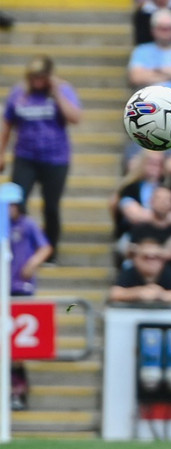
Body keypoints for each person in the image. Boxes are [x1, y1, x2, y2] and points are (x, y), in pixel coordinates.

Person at [1, 56, 79, 263]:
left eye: (41, 77)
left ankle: (49, 250)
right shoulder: (19, 93)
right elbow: (7, 123)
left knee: (51, 206)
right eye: (33, 77)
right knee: (17, 202)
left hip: (55, 158)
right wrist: (1, 153)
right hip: (25, 156)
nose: (37, 81)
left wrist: (57, 94)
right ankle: (20, 247)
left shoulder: (63, 90)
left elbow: (75, 117)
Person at [6, 202, 51, 410]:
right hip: (2, 287)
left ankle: (18, 391)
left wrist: (32, 263)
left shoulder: (27, 225)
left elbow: (45, 247)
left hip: (20, 289)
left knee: (17, 348)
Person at [128, 9, 171, 98]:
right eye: (161, 28)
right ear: (153, 29)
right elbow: (136, 77)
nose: (165, 33)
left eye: (169, 28)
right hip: (148, 101)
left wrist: (157, 70)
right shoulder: (141, 50)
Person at [110, 238, 171, 305]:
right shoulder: (130, 272)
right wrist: (138, 293)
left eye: (157, 257)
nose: (151, 261)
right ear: (136, 259)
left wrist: (161, 295)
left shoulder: (168, 273)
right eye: (146, 257)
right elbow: (113, 293)